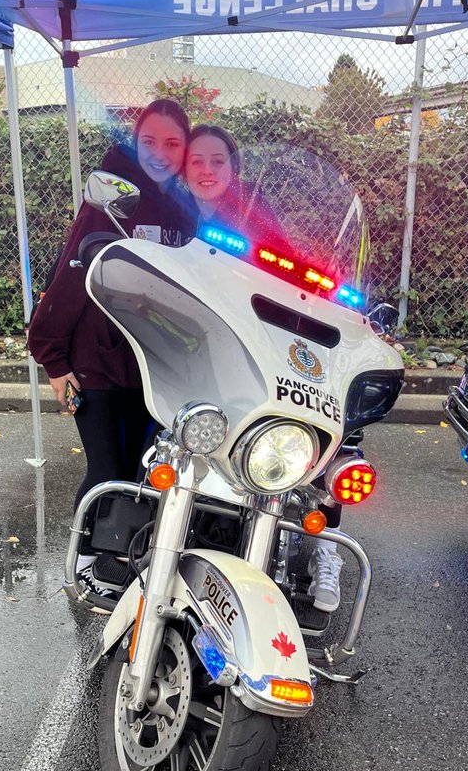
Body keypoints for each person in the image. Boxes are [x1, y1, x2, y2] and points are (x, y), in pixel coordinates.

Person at [28, 99, 198, 583]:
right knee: (106, 469)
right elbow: (70, 277)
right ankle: (82, 559)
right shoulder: (110, 196)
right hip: (96, 365)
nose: (160, 153)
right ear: (134, 142)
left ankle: (122, 556)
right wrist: (54, 361)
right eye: (150, 142)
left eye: (172, 143)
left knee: (142, 470)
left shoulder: (186, 211)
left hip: (157, 367)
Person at [183, 124, 347, 613]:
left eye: (218, 161)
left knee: (328, 440)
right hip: (191, 356)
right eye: (197, 161)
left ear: (234, 169)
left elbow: (289, 277)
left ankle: (324, 545)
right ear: (183, 169)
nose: (207, 170)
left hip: (248, 353)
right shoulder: (167, 213)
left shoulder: (255, 217)